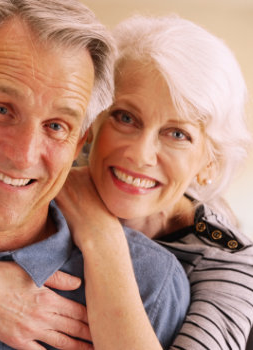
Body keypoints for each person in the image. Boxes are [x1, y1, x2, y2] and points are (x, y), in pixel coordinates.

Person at [0, 1, 190, 350]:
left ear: (79, 142)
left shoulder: (151, 287)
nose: (23, 156)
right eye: (1, 109)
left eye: (56, 126)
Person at [56, 14, 253, 349]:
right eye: (126, 117)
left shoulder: (229, 263)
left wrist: (101, 235)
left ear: (209, 163)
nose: (140, 154)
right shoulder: (49, 169)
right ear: (96, 119)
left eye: (177, 134)